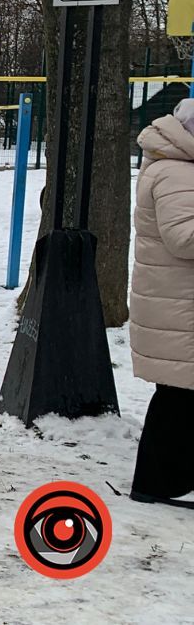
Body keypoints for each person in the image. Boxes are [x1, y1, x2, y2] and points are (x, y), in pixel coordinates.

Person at [129, 100, 194, 510]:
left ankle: (167, 479)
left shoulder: (177, 165)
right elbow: (183, 237)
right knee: (178, 398)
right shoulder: (175, 171)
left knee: (180, 397)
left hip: (176, 302)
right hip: (177, 305)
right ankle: (158, 483)